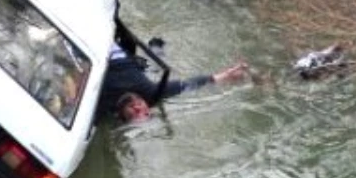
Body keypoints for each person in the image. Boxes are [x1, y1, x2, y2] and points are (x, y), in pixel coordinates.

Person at [99, 41, 250, 124]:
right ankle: (156, 46)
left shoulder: (102, 104)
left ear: (122, 117)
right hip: (112, 47)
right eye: (145, 112)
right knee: (154, 65)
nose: (138, 108)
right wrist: (226, 75)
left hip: (95, 57)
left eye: (135, 114)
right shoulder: (153, 94)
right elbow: (190, 84)